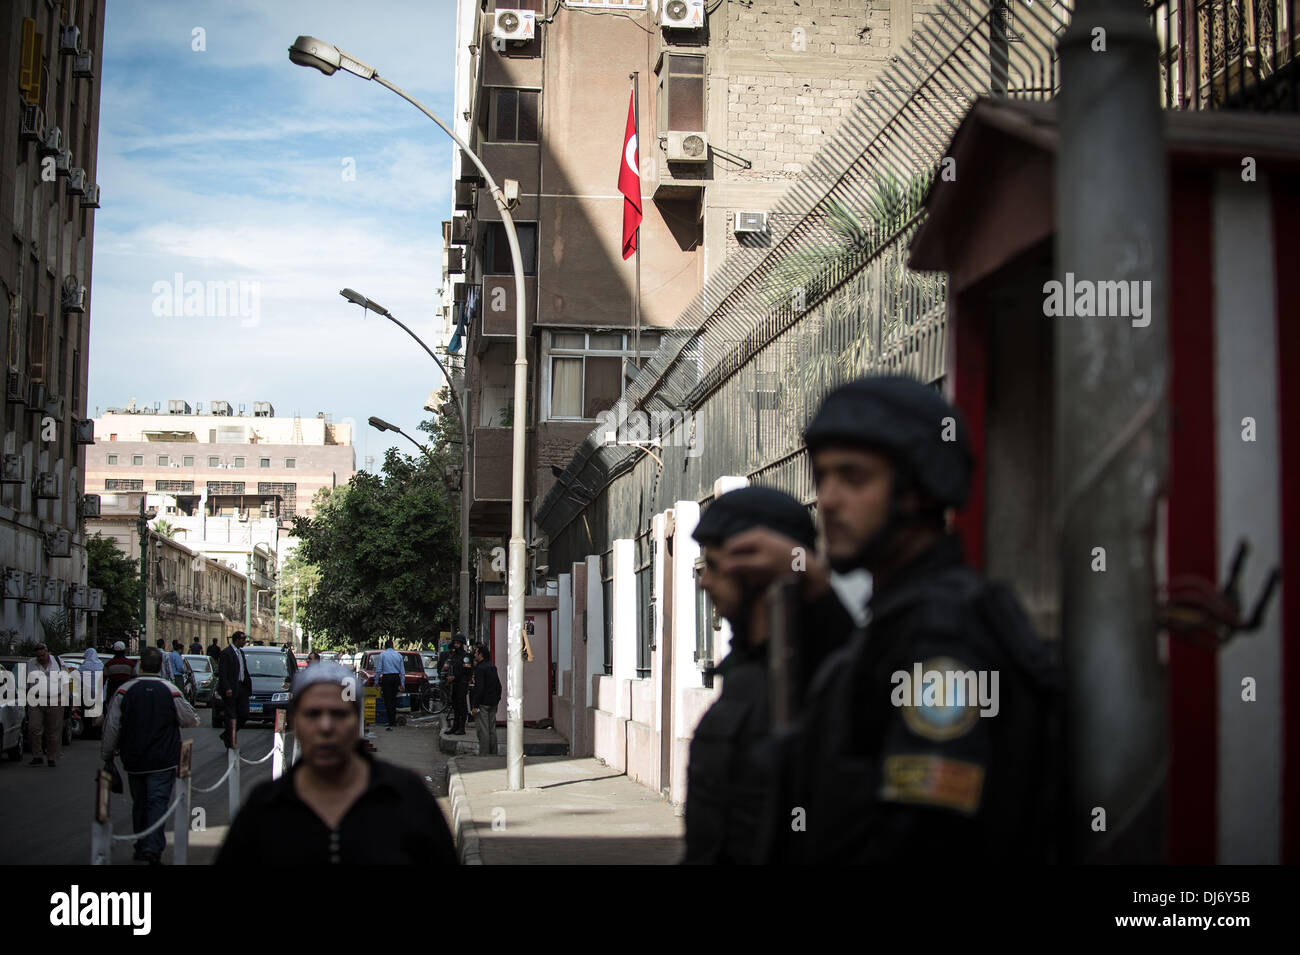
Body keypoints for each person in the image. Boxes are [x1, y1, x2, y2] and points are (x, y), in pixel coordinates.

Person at [756, 375, 1059, 864]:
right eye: (823, 477)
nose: (828, 500)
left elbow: (928, 836)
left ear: (918, 490)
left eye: (853, 478)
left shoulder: (943, 633)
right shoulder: (903, 619)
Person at [683, 485, 853, 865]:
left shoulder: (818, 680)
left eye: (712, 565)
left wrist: (809, 575)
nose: (704, 582)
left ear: (755, 570)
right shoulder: (743, 673)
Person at [216, 661, 458, 865]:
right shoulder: (264, 808)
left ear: (357, 722)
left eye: (339, 714)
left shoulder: (406, 796)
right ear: (295, 722)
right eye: (313, 714)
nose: (326, 727)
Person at [101, 646, 199, 864]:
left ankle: (141, 843)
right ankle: (152, 848)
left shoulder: (124, 691)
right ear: (160, 667)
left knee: (140, 802)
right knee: (157, 803)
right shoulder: (171, 690)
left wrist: (107, 754)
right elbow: (190, 719)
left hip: (134, 760)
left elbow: (112, 727)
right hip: (163, 760)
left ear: (140, 666)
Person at [26, 643, 66, 767]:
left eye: (43, 655)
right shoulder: (30, 663)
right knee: (34, 728)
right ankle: (37, 755)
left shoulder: (58, 661)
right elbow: (26, 682)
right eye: (38, 656)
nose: (41, 658)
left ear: (47, 652)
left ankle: (51, 757)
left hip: (55, 699)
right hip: (36, 699)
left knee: (53, 730)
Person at [216, 631, 253, 747]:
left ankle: (227, 734)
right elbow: (222, 673)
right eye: (243, 639)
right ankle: (230, 743)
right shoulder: (226, 653)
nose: (245, 641)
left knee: (244, 714)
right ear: (237, 640)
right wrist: (227, 687)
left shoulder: (241, 653)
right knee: (231, 716)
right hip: (231, 689)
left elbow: (243, 670)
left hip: (241, 687)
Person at [469, 644, 502, 755]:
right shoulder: (492, 667)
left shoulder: (480, 669)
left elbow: (479, 688)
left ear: (481, 654)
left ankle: (484, 753)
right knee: (492, 729)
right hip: (493, 702)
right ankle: (493, 752)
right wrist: (497, 699)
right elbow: (498, 685)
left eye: (476, 652)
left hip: (483, 703)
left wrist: (475, 705)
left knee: (483, 730)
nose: (474, 654)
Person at [373, 641, 405, 732]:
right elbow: (402, 671)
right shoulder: (398, 655)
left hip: (386, 678)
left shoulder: (382, 655)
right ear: (392, 645)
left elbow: (379, 669)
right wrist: (402, 684)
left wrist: (376, 681)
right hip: (396, 677)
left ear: (385, 646)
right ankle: (393, 720)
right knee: (394, 699)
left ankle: (390, 721)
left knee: (387, 699)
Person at [448, 638, 474, 735]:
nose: (456, 645)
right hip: (454, 683)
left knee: (461, 705)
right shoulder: (454, 655)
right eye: (455, 643)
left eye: (458, 643)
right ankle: (455, 726)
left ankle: (462, 727)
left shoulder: (465, 656)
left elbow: (467, 670)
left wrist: (455, 676)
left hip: (462, 683)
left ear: (462, 644)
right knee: (455, 705)